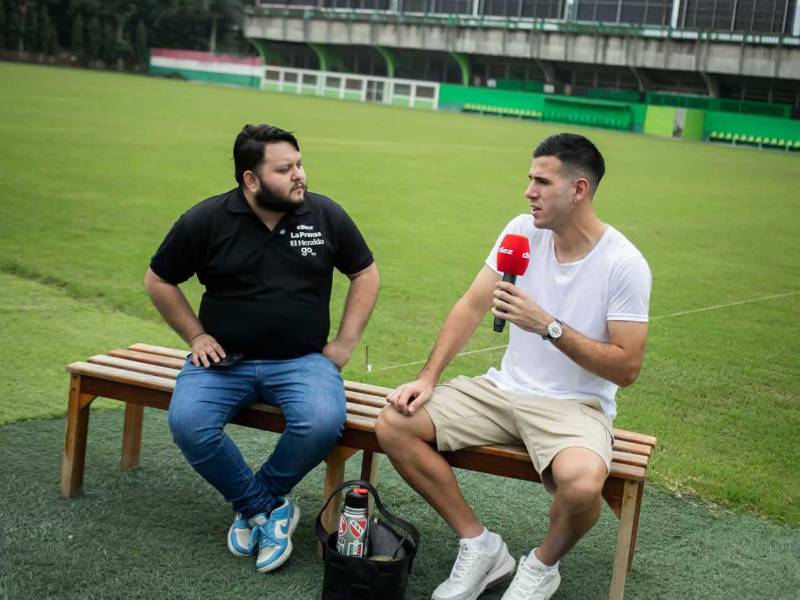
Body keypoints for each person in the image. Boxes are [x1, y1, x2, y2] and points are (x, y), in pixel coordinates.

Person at [376, 133, 651, 600]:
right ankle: (480, 545)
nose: (529, 191)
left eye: (542, 182)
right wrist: (428, 377)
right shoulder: (520, 232)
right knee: (392, 423)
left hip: (574, 406)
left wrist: (548, 326)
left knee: (583, 486)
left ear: (578, 190)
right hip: (503, 391)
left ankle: (542, 567)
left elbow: (627, 367)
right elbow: (470, 307)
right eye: (530, 179)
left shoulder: (624, 263)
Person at [144, 124, 379, 574]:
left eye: (299, 164)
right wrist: (196, 336)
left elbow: (365, 273)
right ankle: (265, 510)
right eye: (284, 168)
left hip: (302, 361)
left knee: (322, 421)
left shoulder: (324, 215)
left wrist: (345, 342)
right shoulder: (206, 220)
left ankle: (256, 504)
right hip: (223, 361)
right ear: (251, 179)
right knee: (189, 424)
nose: (299, 175)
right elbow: (159, 279)